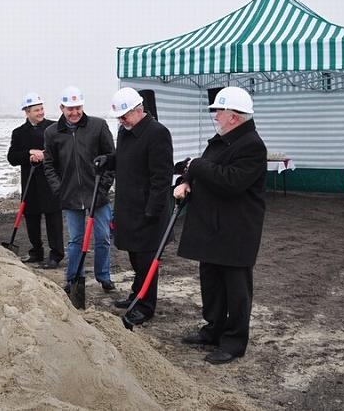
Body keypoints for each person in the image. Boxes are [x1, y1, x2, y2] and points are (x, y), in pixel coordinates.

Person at [173, 86, 267, 365]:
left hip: (236, 231)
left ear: (234, 116)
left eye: (219, 111)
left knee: (236, 289)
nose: (215, 116)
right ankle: (213, 329)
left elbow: (231, 181)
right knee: (212, 283)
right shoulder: (222, 140)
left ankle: (234, 342)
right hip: (212, 227)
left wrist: (196, 166)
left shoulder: (251, 146)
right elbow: (203, 168)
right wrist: (187, 180)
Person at [95, 87, 173, 326]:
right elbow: (125, 159)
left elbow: (162, 177)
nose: (122, 120)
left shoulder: (157, 133)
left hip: (149, 210)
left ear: (139, 109)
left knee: (147, 261)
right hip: (128, 207)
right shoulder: (125, 131)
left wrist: (153, 210)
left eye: (125, 115)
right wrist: (109, 160)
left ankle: (146, 305)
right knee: (135, 257)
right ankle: (136, 295)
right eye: (119, 117)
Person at [43, 86, 116, 293]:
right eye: (70, 109)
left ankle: (104, 276)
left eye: (78, 108)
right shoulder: (52, 133)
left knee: (103, 237)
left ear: (83, 106)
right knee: (75, 240)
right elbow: (49, 165)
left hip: (97, 194)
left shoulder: (98, 126)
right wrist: (60, 190)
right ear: (62, 108)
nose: (74, 112)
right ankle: (74, 278)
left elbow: (112, 158)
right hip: (70, 196)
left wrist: (103, 187)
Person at [7, 92, 64, 268]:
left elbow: (63, 151)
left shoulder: (54, 127)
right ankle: (36, 252)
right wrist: (29, 153)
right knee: (31, 217)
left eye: (41, 109)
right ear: (27, 112)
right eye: (36, 110)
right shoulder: (19, 133)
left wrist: (45, 155)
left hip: (51, 180)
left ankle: (56, 254)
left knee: (53, 218)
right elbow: (12, 157)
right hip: (30, 181)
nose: (40, 112)